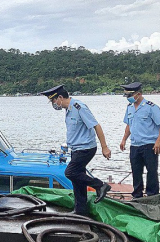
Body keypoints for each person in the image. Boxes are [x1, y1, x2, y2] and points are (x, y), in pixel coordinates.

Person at [40, 85, 111, 216]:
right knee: (77, 180)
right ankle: (80, 210)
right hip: (76, 149)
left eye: (54, 100)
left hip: (86, 148)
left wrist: (104, 147)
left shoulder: (79, 107)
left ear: (60, 97)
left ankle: (100, 185)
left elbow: (96, 126)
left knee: (70, 172)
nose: (54, 104)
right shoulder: (68, 109)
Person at [119, 82, 160, 198]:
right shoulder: (129, 108)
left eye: (130, 96)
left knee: (151, 171)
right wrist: (124, 139)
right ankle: (137, 195)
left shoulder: (151, 107)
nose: (128, 98)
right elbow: (129, 125)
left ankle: (152, 195)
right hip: (135, 145)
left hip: (149, 144)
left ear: (138, 94)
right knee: (136, 171)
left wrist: (159, 141)